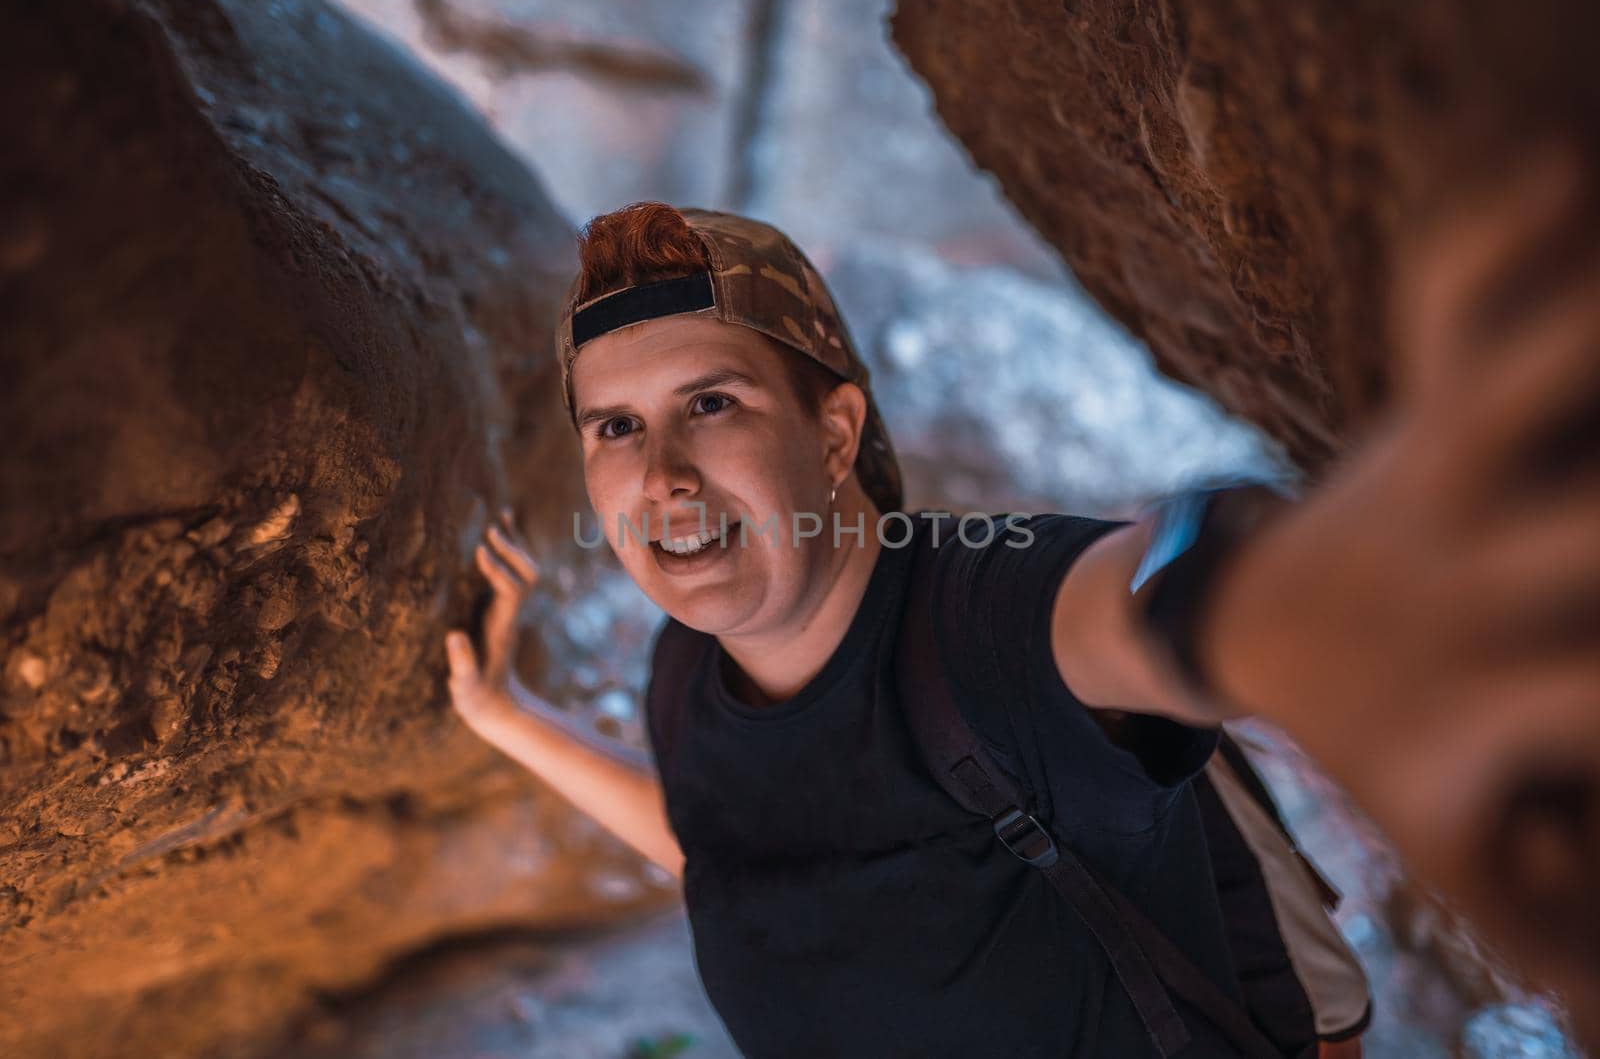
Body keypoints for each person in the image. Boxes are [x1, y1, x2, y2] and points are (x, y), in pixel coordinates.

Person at [443, 149, 1597, 1056]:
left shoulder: (987, 613)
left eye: (711, 403)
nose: (662, 476)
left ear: (834, 431)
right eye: (615, 425)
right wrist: (503, 716)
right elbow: (722, 845)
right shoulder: (687, 668)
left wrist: (1326, 597)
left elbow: (1154, 594)